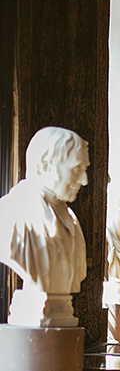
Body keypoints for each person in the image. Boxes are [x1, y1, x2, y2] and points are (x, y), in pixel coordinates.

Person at [0, 126, 89, 327]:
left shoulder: (72, 222)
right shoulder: (10, 215)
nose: (84, 181)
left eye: (85, 170)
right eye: (77, 169)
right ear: (45, 166)